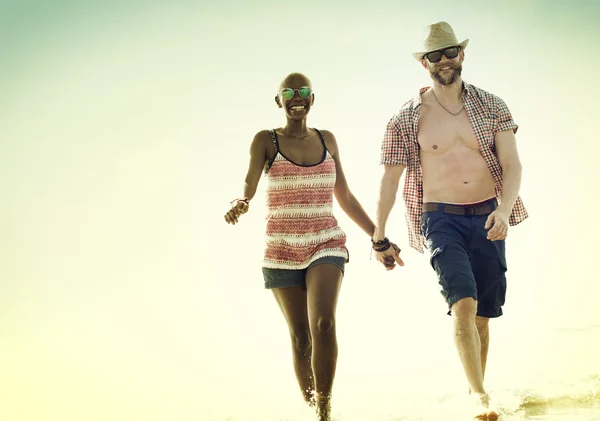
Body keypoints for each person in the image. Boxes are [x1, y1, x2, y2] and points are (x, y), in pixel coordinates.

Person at [372, 22, 528, 419]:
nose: (444, 61)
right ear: (425, 64)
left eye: (450, 52)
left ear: (462, 54)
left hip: (489, 214)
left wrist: (504, 210)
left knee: (482, 316)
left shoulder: (492, 104)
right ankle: (480, 401)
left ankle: (478, 390)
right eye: (435, 56)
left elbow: (511, 163)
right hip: (439, 217)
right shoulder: (405, 118)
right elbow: (390, 179)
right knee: (462, 303)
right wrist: (379, 236)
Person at [224, 72, 397, 421]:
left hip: (325, 242)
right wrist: (242, 200)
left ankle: (324, 412)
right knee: (301, 338)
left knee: (323, 325)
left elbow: (344, 196)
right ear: (279, 101)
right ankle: (311, 408)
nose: (296, 97)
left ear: (312, 99)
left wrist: (378, 238)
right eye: (288, 92)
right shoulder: (265, 141)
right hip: (281, 250)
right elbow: (249, 180)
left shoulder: (327, 139)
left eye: (303, 91)